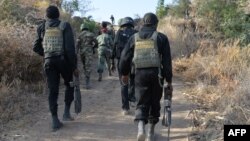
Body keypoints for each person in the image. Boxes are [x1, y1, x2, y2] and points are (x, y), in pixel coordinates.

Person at [119, 13, 173, 141]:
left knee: (141, 102)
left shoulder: (134, 38)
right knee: (154, 102)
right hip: (156, 75)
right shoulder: (161, 38)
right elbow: (166, 61)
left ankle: (141, 128)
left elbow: (124, 58)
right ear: (156, 24)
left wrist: (125, 74)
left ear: (143, 23)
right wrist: (169, 80)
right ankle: (150, 133)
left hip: (139, 75)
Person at [33, 5, 78, 131]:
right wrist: (74, 66)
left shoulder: (41, 27)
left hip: (49, 62)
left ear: (47, 16)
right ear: (58, 15)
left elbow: (35, 47)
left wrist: (47, 54)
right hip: (63, 62)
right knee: (69, 85)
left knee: (53, 91)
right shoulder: (65, 26)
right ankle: (66, 113)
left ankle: (54, 120)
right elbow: (70, 49)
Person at [111, 17, 137, 115]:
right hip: (134, 62)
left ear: (122, 24)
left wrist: (112, 63)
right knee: (133, 81)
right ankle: (132, 98)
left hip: (121, 62)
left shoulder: (119, 33)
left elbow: (114, 47)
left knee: (123, 83)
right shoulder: (136, 33)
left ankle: (125, 108)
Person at [76, 23, 98, 89]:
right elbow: (96, 42)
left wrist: (76, 52)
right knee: (88, 66)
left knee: (84, 66)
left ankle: (86, 80)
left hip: (82, 52)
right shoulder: (91, 34)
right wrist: (93, 47)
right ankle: (87, 82)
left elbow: (77, 44)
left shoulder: (79, 35)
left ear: (81, 28)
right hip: (89, 52)